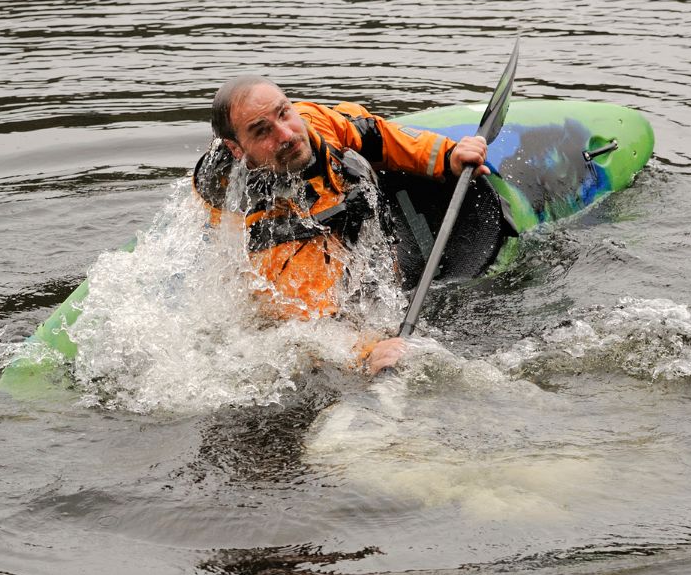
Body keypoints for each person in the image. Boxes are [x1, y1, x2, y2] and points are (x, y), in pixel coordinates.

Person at [192, 75, 490, 375]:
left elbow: (375, 135)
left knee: (351, 117)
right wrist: (368, 352)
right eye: (261, 131)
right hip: (294, 264)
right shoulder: (264, 228)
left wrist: (447, 155)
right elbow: (312, 326)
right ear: (237, 150)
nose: (286, 135)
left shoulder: (310, 121)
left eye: (284, 113)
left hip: (318, 203)